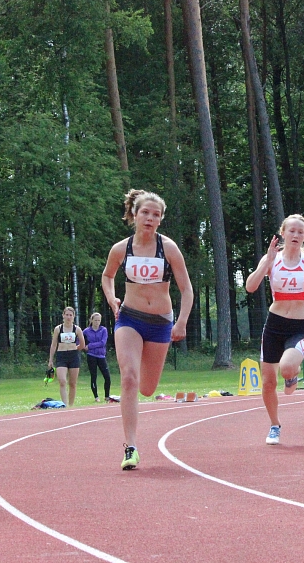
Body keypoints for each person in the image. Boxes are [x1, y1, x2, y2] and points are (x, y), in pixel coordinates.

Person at [102, 189, 193, 470]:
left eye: (156, 215)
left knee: (147, 388)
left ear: (161, 220)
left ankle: (142, 362)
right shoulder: (121, 249)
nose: (150, 218)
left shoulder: (169, 249)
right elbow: (107, 276)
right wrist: (111, 298)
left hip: (160, 323)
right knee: (128, 378)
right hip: (129, 318)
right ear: (134, 215)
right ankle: (130, 446)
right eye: (145, 213)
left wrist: (181, 321)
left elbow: (186, 289)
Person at [245, 214, 304, 445]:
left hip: (299, 326)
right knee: (268, 382)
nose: (295, 235)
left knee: (286, 367)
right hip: (274, 325)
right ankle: (275, 425)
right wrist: (266, 260)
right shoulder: (272, 260)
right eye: (291, 231)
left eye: (300, 232)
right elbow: (250, 286)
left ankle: (291, 375)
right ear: (283, 233)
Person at [47, 306, 86, 407]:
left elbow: (83, 344)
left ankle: (71, 405)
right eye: (67, 315)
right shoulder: (58, 329)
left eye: (70, 315)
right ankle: (64, 405)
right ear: (63, 315)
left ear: (73, 317)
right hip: (61, 355)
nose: (68, 317)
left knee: (72, 383)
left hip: (73, 356)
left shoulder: (77, 329)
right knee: (62, 381)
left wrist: (76, 348)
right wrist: (50, 360)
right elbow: (53, 345)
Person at [84, 312, 111, 402]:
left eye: (99, 320)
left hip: (101, 356)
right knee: (93, 376)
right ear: (91, 320)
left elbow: (103, 343)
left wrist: (90, 346)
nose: (97, 322)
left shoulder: (103, 330)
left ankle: (107, 396)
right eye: (95, 320)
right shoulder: (86, 331)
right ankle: (96, 397)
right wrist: (84, 347)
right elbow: (79, 341)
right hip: (91, 356)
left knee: (107, 376)